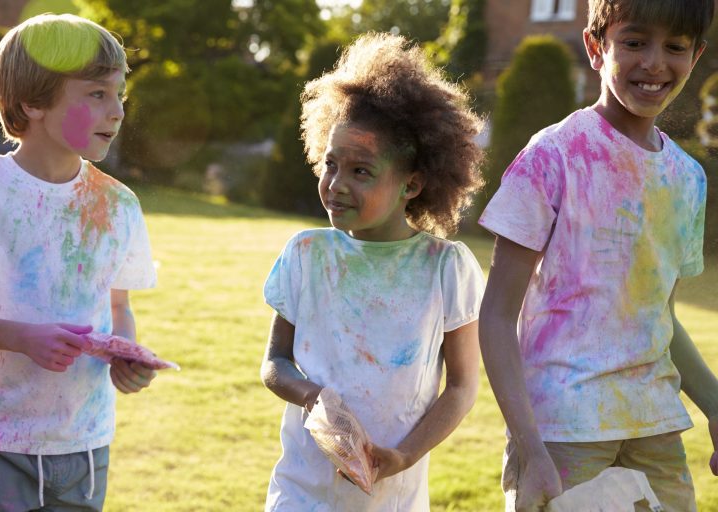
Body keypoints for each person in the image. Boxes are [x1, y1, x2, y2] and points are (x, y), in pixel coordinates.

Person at [477, 1, 716, 510]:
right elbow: (497, 317)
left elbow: (661, 319)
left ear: (695, 56)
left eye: (674, 47)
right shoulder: (551, 156)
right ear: (595, 47)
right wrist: (530, 448)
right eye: (634, 42)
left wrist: (716, 406)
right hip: (562, 433)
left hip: (655, 428)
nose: (654, 62)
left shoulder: (687, 179)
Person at [259, 32, 485, 511]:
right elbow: (274, 362)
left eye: (362, 172)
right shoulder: (307, 253)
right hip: (303, 494)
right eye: (331, 165)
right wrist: (314, 397)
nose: (336, 185)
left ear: (412, 184)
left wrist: (403, 455)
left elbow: (463, 387)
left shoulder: (446, 268)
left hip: (391, 499)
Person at [0, 13, 156, 511]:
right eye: (96, 94)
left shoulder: (119, 204)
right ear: (32, 103)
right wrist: (21, 338)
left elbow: (118, 304)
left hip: (84, 443)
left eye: (118, 94)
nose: (118, 111)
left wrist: (125, 353)